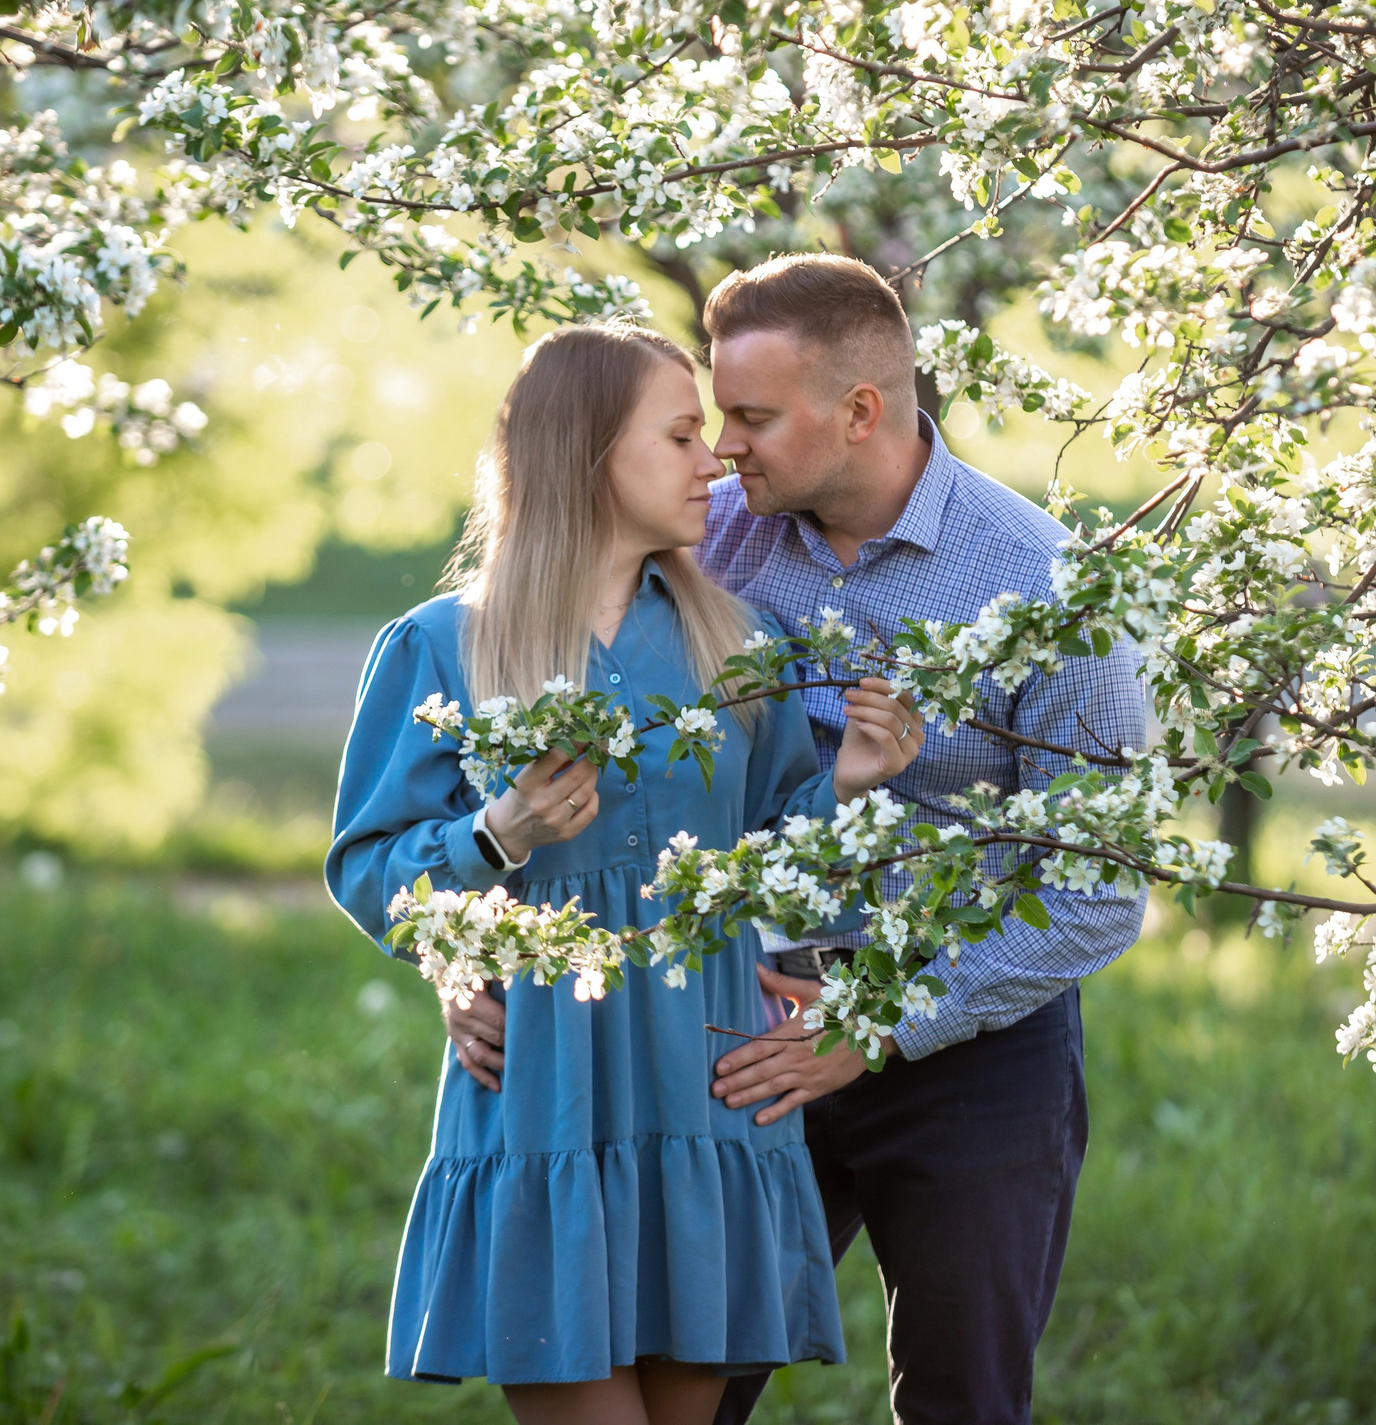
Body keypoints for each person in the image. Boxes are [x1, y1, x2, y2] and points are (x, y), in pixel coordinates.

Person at [446, 256, 1151, 1425]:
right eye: (713, 416)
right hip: (731, 1027)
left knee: (964, 1400)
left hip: (965, 1043)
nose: (723, 447)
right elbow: (526, 732)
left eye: (752, 416)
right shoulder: (698, 536)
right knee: (690, 1384)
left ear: (859, 410)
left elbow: (1099, 894)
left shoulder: (1047, 588)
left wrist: (876, 1023)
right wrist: (471, 953)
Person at [326, 321, 926, 1425]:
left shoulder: (737, 641)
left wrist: (846, 782)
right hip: (547, 1093)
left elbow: (778, 863)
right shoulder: (444, 644)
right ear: (590, 451)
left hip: (708, 1091)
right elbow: (370, 869)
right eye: (681, 434)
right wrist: (494, 835)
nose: (714, 461)